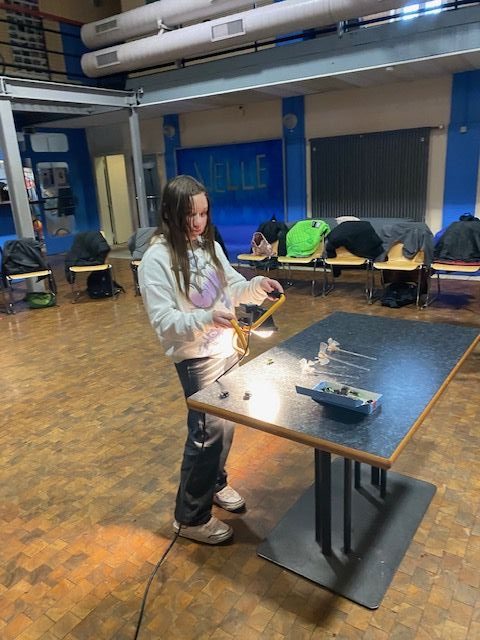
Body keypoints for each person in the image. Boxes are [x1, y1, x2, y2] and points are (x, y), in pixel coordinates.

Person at [138, 175, 283, 545]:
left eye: (203, 213)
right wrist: (206, 318)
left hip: (226, 348)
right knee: (206, 434)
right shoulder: (156, 260)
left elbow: (232, 287)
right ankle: (190, 517)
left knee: (226, 425)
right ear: (170, 213)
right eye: (190, 215)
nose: (198, 222)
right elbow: (165, 322)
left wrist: (258, 286)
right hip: (196, 357)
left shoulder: (208, 246)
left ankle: (215, 484)